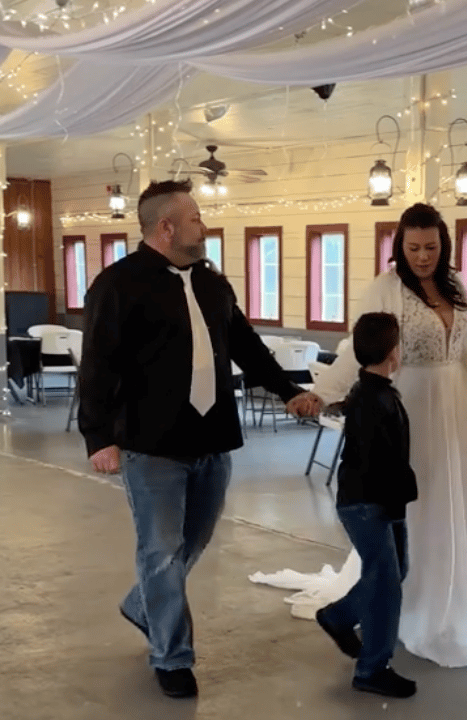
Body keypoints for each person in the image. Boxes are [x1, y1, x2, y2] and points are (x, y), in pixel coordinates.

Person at [267, 203, 467, 667]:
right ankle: (406, 604)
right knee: (416, 508)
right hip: (407, 404)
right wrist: (323, 392)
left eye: (431, 247)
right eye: (413, 248)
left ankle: (446, 602)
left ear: (444, 244)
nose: (422, 257)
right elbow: (359, 350)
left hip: (454, 407)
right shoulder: (385, 287)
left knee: (449, 506)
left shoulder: (455, 283)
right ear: (400, 245)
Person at [78, 179, 313, 699]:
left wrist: (288, 391)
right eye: (195, 218)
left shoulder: (210, 282)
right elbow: (95, 366)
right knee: (160, 551)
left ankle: (143, 605)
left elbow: (246, 347)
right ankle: (172, 656)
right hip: (151, 446)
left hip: (211, 439)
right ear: (166, 227)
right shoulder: (117, 286)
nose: (203, 226)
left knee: (192, 542)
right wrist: (99, 437)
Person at [317, 312, 418, 699]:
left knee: (393, 572)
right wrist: (395, 507)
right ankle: (373, 669)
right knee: (385, 587)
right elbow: (381, 464)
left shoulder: (374, 390)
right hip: (368, 503)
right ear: (394, 351)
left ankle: (338, 617)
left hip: (376, 500)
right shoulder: (374, 400)